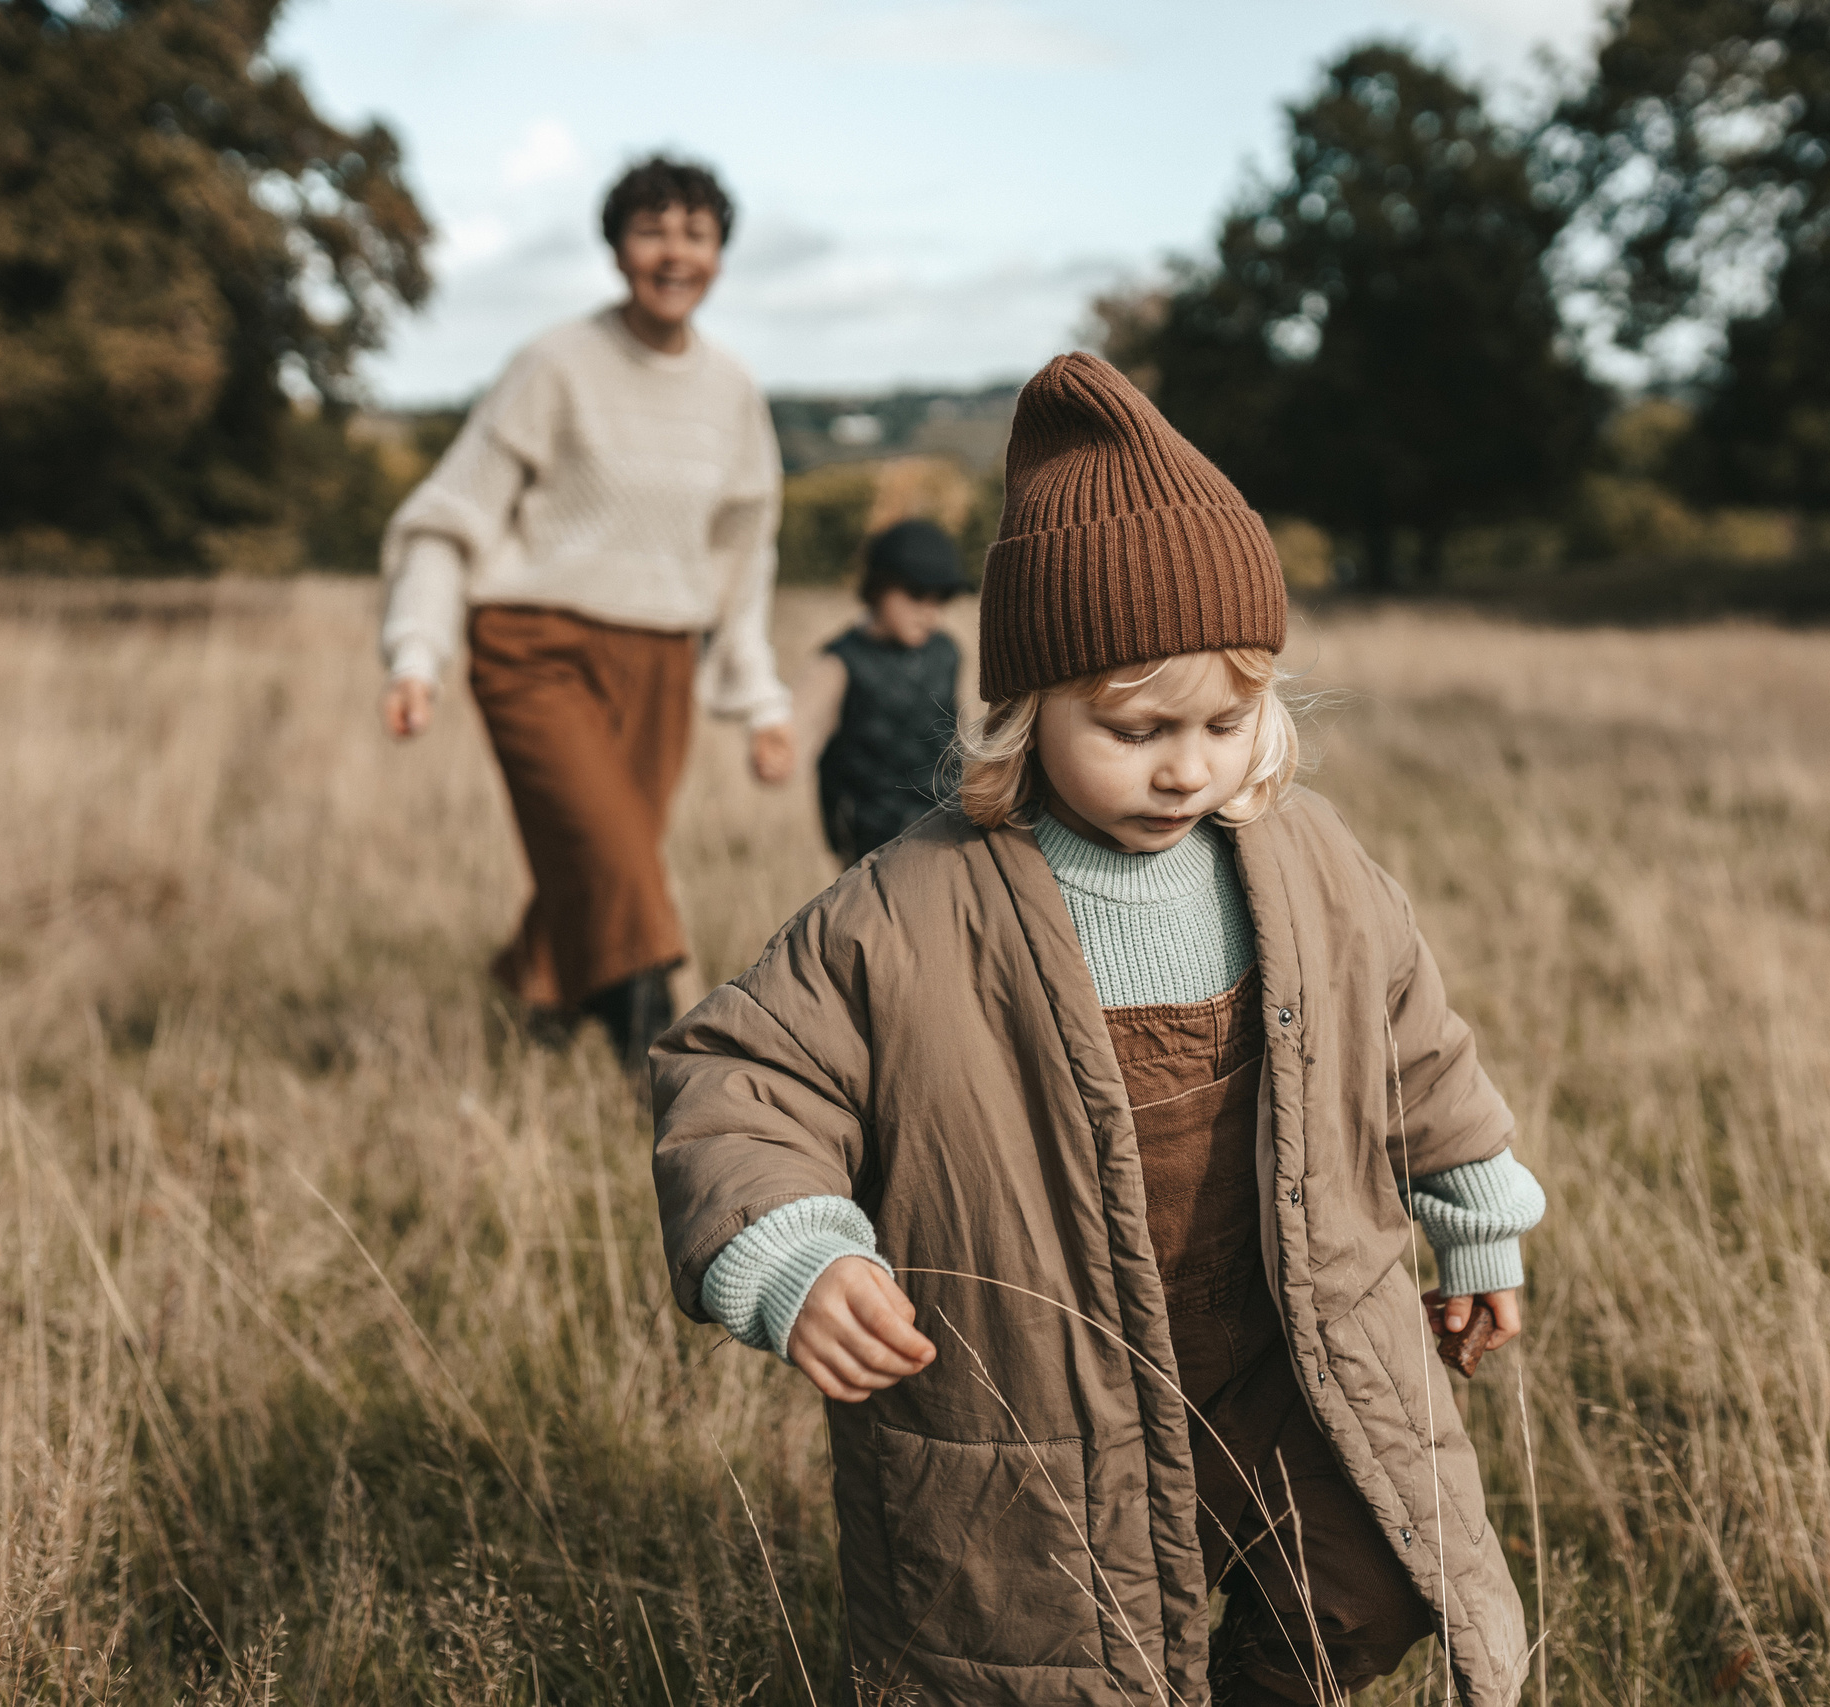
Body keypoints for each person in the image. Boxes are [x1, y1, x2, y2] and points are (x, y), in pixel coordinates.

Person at [654, 354, 1544, 1706]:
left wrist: (1475, 1205)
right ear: (1027, 707)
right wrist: (793, 1252)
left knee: (1371, 1570)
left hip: (1293, 1341)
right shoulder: (915, 902)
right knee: (1090, 1645)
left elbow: (1412, 1031)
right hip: (1051, 1385)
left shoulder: (1305, 862)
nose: (1186, 765)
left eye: (1228, 721)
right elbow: (744, 1075)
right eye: (1133, 727)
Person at [376, 156, 792, 1069]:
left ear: (720, 253)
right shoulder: (553, 365)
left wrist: (761, 702)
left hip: (660, 659)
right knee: (614, 853)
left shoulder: (731, 392)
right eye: (652, 231)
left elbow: (742, 560)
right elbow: (450, 517)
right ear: (616, 249)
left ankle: (536, 1006)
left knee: (599, 853)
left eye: (695, 233)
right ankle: (660, 1051)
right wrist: (418, 653)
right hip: (533, 648)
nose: (673, 253)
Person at [790, 517, 967, 865]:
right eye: (915, 595)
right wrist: (780, 744)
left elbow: (955, 734)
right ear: (877, 588)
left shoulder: (946, 652)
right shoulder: (841, 661)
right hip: (870, 850)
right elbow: (800, 722)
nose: (928, 612)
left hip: (945, 832)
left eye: (940, 598)